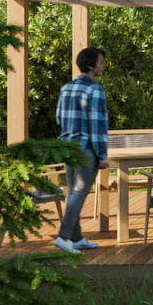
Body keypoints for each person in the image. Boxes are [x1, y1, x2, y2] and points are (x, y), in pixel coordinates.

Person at [52, 46, 110, 254]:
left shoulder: (66, 88)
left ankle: (76, 238)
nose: (103, 65)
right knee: (79, 192)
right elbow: (98, 126)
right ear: (91, 65)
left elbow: (59, 118)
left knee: (73, 193)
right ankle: (64, 236)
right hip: (86, 149)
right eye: (101, 62)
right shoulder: (95, 90)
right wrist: (102, 155)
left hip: (67, 147)